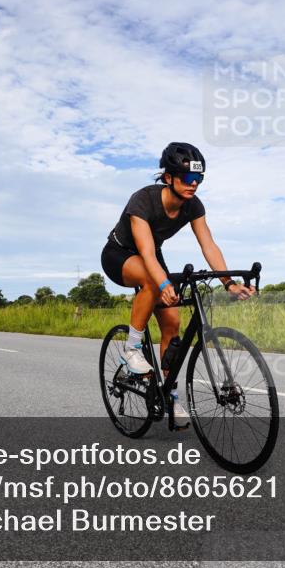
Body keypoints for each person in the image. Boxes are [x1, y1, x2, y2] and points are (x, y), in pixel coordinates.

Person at [101, 142, 254, 427]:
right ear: (169, 177)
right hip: (119, 254)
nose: (193, 184)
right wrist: (161, 283)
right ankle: (132, 350)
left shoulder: (192, 206)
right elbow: (146, 253)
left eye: (199, 179)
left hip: (151, 256)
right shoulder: (143, 200)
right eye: (187, 178)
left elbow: (208, 244)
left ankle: (169, 395)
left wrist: (228, 283)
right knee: (152, 280)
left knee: (172, 324)